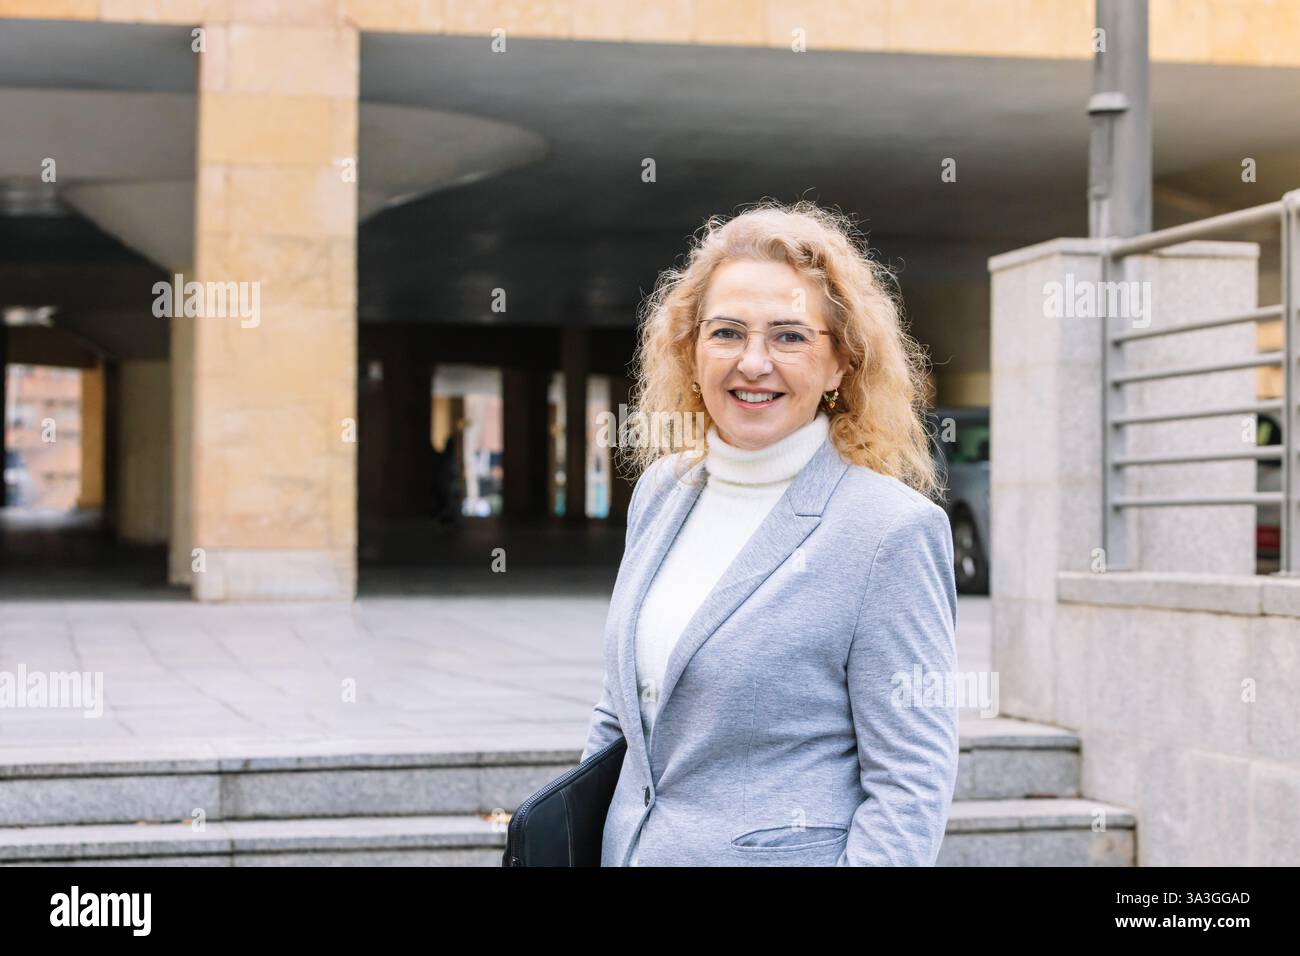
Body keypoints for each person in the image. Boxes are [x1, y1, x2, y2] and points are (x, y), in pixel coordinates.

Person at [579, 199, 958, 866]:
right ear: (690, 350)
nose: (753, 363)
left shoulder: (889, 532)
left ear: (841, 362)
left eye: (789, 336)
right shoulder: (662, 493)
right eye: (727, 332)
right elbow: (620, 718)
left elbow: (911, 783)